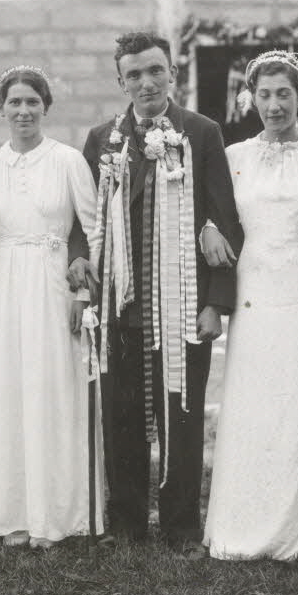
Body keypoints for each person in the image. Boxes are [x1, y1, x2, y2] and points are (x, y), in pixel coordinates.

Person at [78, 31, 242, 551]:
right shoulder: (103, 138)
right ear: (120, 81)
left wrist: (216, 302)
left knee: (182, 417)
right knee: (120, 417)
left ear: (172, 72)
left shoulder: (202, 131)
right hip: (120, 306)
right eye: (133, 74)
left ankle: (178, 527)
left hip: (181, 302)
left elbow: (224, 216)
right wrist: (84, 268)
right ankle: (126, 523)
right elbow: (87, 221)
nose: (145, 82)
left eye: (154, 70)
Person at [204, 51, 298, 563]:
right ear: (250, 98)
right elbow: (216, 212)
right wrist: (209, 228)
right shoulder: (235, 155)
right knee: (254, 403)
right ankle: (243, 527)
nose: (274, 104)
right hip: (254, 290)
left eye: (284, 93)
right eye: (264, 94)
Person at [0, 66, 103, 549]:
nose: (23, 111)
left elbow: (91, 229)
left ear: (46, 107)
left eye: (32, 102)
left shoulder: (68, 161)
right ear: (1, 108)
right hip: (5, 283)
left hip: (52, 282)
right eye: (14, 102)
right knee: (8, 390)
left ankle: (56, 515)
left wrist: (82, 293)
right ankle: (11, 514)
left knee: (51, 389)